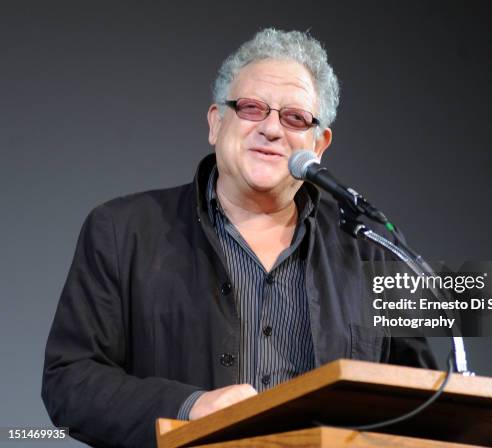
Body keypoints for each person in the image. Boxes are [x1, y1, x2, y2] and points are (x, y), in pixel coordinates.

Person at [42, 28, 436, 447]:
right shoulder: (122, 231)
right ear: (216, 122)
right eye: (252, 108)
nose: (271, 129)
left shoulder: (372, 251)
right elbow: (70, 379)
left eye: (295, 117)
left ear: (319, 144)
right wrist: (189, 408)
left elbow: (428, 398)